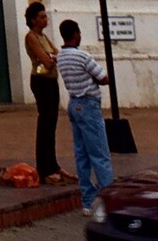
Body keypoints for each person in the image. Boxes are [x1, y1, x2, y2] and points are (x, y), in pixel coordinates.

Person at [55, 18, 114, 214]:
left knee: (81, 155)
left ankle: (87, 201)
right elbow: (104, 78)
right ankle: (107, 201)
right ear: (76, 34)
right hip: (88, 104)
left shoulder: (61, 56)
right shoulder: (82, 56)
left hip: (74, 103)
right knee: (100, 154)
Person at [23, 2, 71, 183]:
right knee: (45, 122)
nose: (45, 19)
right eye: (42, 17)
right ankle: (44, 167)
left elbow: (57, 54)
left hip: (51, 80)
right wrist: (51, 57)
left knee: (52, 122)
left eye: (45, 16)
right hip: (40, 80)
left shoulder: (44, 36)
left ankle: (52, 163)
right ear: (33, 19)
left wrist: (51, 56)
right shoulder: (31, 37)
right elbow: (47, 61)